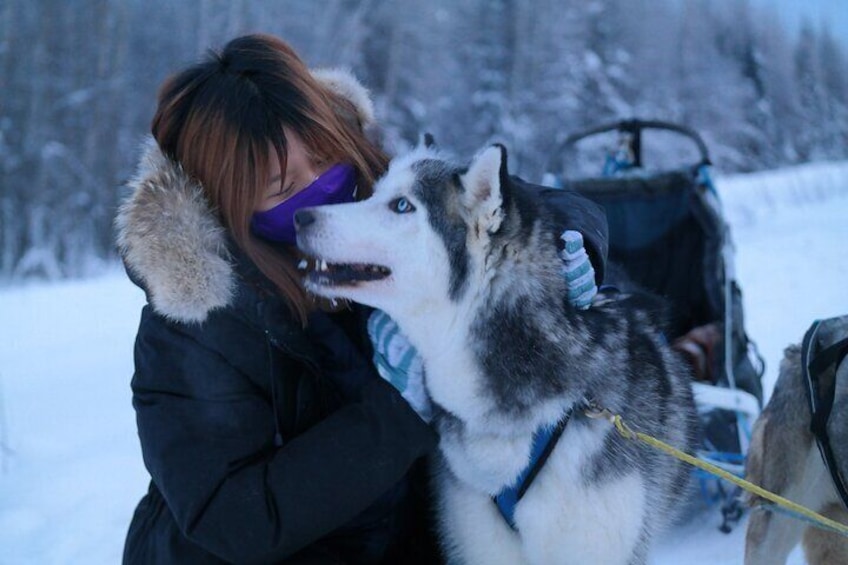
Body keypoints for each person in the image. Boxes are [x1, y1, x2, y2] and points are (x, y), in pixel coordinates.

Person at [116, 33, 608, 564]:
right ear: (229, 207)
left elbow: (519, 204)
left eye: (326, 156)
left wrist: (555, 247)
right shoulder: (192, 332)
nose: (325, 187)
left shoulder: (371, 191)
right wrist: (396, 413)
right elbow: (237, 519)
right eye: (283, 188)